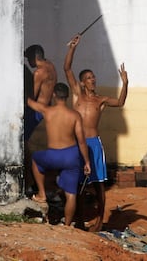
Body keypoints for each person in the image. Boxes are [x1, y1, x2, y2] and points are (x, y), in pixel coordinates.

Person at [64, 34, 128, 231]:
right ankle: (81, 219)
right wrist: (73, 47)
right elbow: (67, 69)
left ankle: (100, 221)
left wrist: (125, 84)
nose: (93, 80)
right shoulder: (77, 94)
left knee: (99, 184)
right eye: (89, 78)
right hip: (76, 143)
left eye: (94, 77)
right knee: (78, 183)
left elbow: (119, 102)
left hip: (93, 144)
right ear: (82, 83)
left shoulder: (100, 100)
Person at [27, 83, 91, 226]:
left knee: (36, 159)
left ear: (54, 95)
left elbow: (30, 103)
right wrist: (87, 162)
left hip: (53, 156)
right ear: (67, 96)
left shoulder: (47, 111)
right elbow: (81, 141)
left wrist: (28, 92)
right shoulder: (75, 115)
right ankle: (67, 226)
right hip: (71, 156)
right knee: (71, 194)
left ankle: (42, 193)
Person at [23, 45, 57, 196]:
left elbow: (33, 96)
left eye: (28, 58)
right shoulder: (51, 65)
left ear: (34, 57)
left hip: (36, 111)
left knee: (23, 145)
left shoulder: (39, 73)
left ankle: (30, 183)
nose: (28, 61)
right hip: (47, 109)